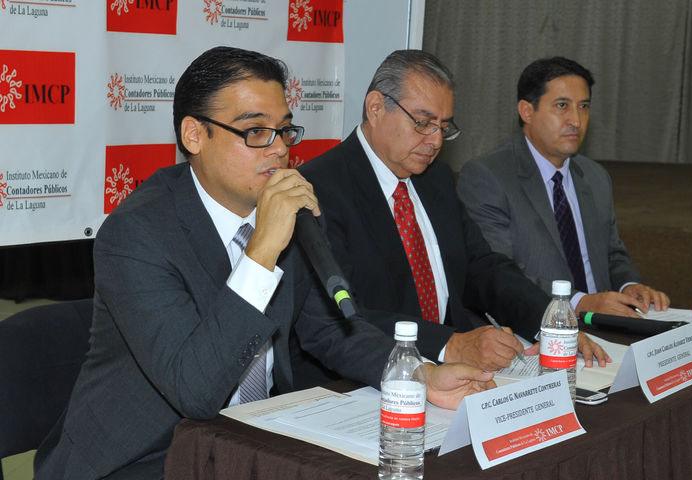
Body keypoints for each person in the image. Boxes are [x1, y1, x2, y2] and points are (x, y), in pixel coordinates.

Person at [33, 47, 494, 480]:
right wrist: (262, 251)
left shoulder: (285, 211)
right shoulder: (137, 233)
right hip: (144, 459)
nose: (278, 149)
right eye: (255, 132)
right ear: (194, 135)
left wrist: (419, 376)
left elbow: (328, 331)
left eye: (284, 130)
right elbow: (195, 392)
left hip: (251, 439)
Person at [297, 50, 609, 386]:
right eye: (423, 123)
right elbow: (340, 317)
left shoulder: (436, 179)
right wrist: (450, 344)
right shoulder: (318, 189)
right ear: (376, 108)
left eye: (443, 127)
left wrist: (549, 322)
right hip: (361, 381)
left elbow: (482, 267)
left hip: (458, 373)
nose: (435, 141)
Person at [457, 56, 670, 318]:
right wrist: (579, 302)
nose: (576, 121)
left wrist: (629, 285)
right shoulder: (488, 176)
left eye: (583, 107)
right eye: (562, 106)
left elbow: (612, 254)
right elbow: (497, 276)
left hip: (605, 322)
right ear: (526, 111)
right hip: (534, 324)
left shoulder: (595, 176)